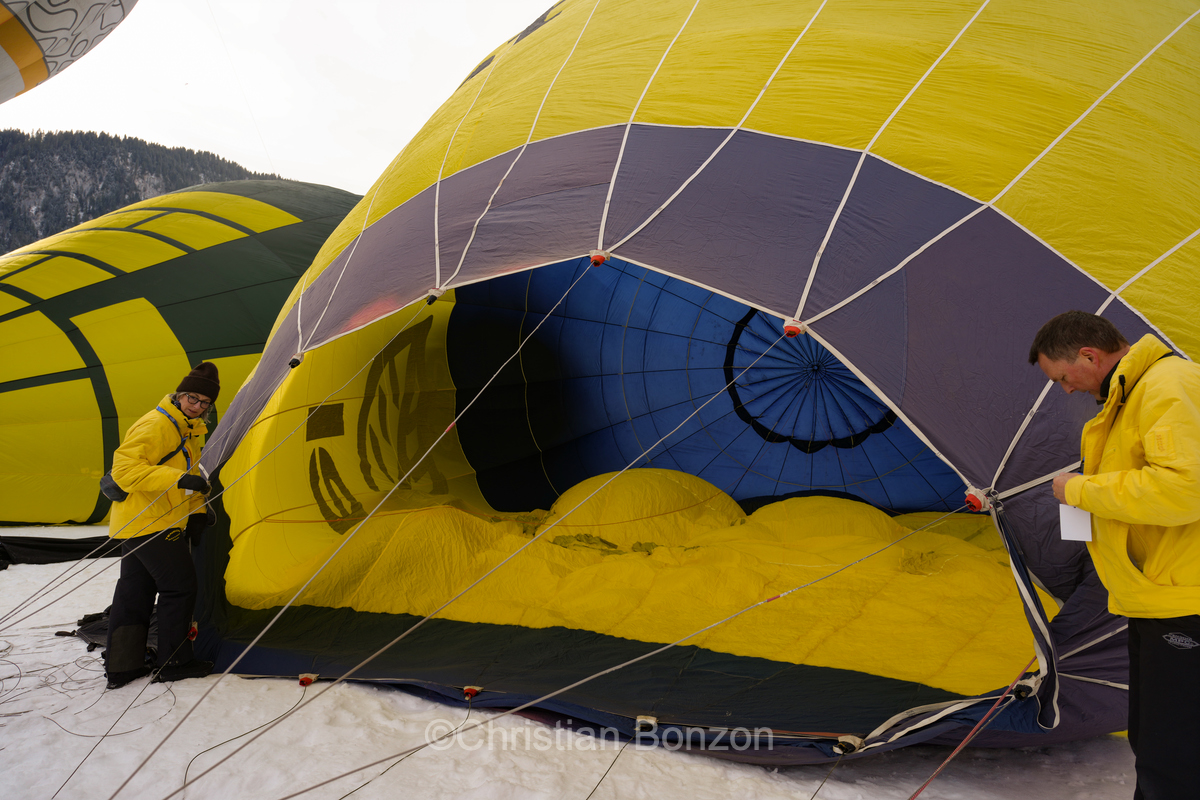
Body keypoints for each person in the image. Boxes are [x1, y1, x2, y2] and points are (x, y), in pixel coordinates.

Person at [1029, 311, 1200, 799]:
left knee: (1174, 748)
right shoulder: (1131, 397)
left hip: (1183, 599)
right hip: (1156, 595)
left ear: (1089, 354)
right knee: (1155, 736)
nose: (1064, 390)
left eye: (1063, 377)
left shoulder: (1168, 386)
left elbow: (1185, 490)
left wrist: (1082, 490)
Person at [104, 362, 220, 689]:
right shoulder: (158, 424)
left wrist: (196, 512)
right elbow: (125, 470)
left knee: (134, 593)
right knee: (179, 588)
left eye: (203, 403)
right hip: (150, 523)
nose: (196, 406)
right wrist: (179, 478)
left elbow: (191, 477)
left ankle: (123, 666)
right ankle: (175, 662)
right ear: (179, 394)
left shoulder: (188, 430)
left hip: (139, 523)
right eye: (191, 398)